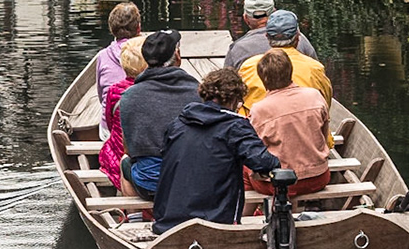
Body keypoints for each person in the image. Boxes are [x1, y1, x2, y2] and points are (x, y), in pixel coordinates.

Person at [151, 69, 280, 234]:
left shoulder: (178, 124)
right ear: (234, 100)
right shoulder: (234, 126)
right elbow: (265, 162)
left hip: (167, 222)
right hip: (215, 223)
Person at [114, 30, 195, 198]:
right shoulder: (198, 91)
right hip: (193, 182)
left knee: (124, 162)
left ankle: (134, 219)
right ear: (177, 56)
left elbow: (129, 150)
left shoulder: (129, 97)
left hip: (151, 185)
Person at [245, 49, 331, 199]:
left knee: (243, 166)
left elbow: (255, 152)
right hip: (318, 178)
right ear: (290, 71)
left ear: (263, 79)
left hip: (277, 184)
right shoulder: (315, 96)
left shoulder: (259, 110)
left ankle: (247, 215)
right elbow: (324, 137)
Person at [237, 9, 331, 111]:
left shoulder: (248, 67)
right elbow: (326, 102)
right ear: (297, 37)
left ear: (267, 37)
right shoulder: (315, 69)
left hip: (258, 125)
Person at [223, 0, 319, 72]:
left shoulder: (237, 49)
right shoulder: (299, 39)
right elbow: (317, 72)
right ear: (274, 12)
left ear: (246, 18)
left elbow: (227, 85)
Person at [98, 40, 147, 190]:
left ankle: (132, 212)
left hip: (120, 149)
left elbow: (110, 122)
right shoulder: (152, 89)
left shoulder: (114, 91)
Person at [95, 2, 142, 96]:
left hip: (111, 108)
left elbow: (100, 95)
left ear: (112, 30)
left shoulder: (102, 56)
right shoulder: (145, 53)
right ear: (138, 29)